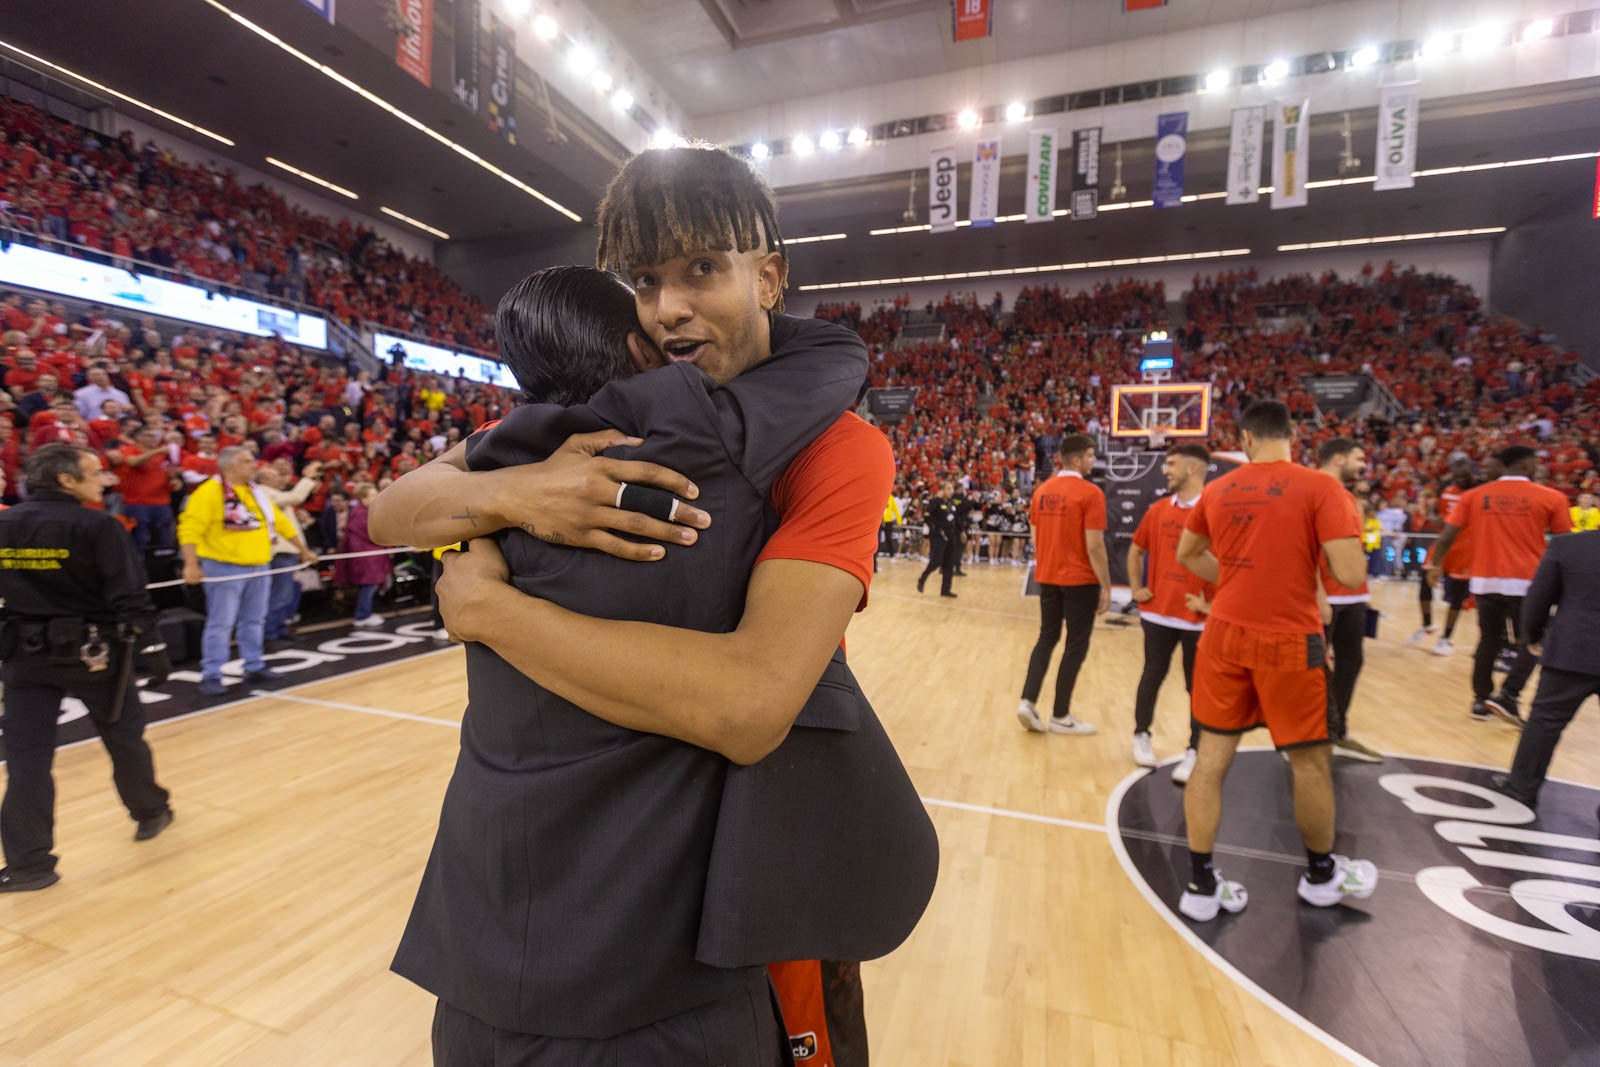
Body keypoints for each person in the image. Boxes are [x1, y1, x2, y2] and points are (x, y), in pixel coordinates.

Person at [374, 146, 930, 1064]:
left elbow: (749, 703)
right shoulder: (583, 421)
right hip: (531, 912)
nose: (669, 306)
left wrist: (489, 610)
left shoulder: (839, 445)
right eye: (645, 280)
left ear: (769, 276)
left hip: (731, 896)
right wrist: (520, 495)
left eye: (701, 270)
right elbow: (393, 506)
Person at [1174, 400, 1376, 922]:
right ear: (1292, 435)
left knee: (1209, 761)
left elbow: (1187, 555)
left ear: (1245, 439)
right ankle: (1321, 877)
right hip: (1290, 640)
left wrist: (1240, 580)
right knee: (1309, 762)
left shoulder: (1217, 490)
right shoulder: (1321, 488)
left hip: (1223, 637)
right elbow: (1352, 576)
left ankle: (1199, 886)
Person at [0, 444, 173, 893]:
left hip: (24, 656)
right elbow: (129, 593)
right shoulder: (98, 525)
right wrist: (152, 647)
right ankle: (150, 812)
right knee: (123, 738)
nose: (106, 479)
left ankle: (29, 866)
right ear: (66, 480)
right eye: (96, 473)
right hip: (95, 654)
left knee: (26, 760)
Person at [1428, 445, 1573, 725]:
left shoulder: (1473, 496)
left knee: (1488, 640)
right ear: (1527, 466)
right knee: (1530, 643)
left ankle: (1480, 701)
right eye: (1535, 463)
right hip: (1530, 583)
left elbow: (1446, 535)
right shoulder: (1552, 497)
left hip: (1485, 580)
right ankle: (1508, 694)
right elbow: (1564, 544)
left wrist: (1435, 565)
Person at [177, 446, 318, 697]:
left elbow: (280, 523)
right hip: (223, 566)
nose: (255, 465)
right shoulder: (209, 492)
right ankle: (212, 673)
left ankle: (253, 665)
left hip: (259, 564)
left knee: (254, 619)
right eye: (247, 461)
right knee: (221, 623)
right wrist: (191, 563)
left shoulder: (256, 492)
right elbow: (189, 528)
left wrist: (303, 549)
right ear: (229, 466)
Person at [1491, 531, 1600, 806]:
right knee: (1544, 721)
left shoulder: (1568, 545)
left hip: (1573, 649)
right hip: (1575, 649)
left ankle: (1521, 788)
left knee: (1545, 722)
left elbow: (1538, 596)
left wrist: (1533, 635)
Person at [1126, 443, 1212, 778]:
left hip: (1199, 619)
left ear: (1192, 469)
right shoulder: (1159, 509)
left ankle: (1195, 749)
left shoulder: (1215, 510)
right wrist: (1136, 589)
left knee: (1198, 687)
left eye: (1172, 464)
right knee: (1152, 675)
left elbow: (1233, 565)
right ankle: (1140, 734)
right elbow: (1135, 551)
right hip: (1157, 613)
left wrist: (1211, 604)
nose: (1166, 470)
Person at [1016, 433, 1106, 737]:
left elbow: (1034, 534)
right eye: (1091, 455)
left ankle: (1027, 702)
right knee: (1075, 645)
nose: (1094, 461)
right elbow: (1094, 546)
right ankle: (1060, 714)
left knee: (1046, 638)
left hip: (1047, 576)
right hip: (1080, 580)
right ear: (1077, 459)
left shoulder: (1041, 491)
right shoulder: (1091, 493)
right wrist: (1106, 585)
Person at [1316, 438, 1383, 763]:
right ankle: (1306, 737)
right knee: (1313, 669)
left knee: (1351, 663)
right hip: (1324, 597)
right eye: (1360, 457)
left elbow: (1353, 550)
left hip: (1353, 597)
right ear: (1339, 458)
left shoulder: (1349, 498)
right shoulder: (1313, 490)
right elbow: (1300, 548)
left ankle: (1337, 731)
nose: (1364, 464)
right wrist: (1317, 594)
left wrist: (1365, 594)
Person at [253, 459, 321, 642]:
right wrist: (307, 478)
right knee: (280, 593)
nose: (280, 478)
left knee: (287, 592)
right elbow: (295, 497)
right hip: (279, 552)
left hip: (288, 550)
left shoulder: (273, 492)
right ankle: (269, 632)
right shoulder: (263, 492)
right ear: (264, 479)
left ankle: (280, 627)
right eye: (274, 475)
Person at [1426, 453, 1479, 657]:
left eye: (1463, 467)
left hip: (1467, 547)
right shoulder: (1444, 487)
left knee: (1459, 597)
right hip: (1444, 544)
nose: (1460, 472)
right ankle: (1426, 625)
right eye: (1455, 468)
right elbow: (1435, 513)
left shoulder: (1480, 488)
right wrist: (1435, 518)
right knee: (1425, 583)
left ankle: (1446, 638)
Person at [109, 423, 176, 552]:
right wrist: (157, 451)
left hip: (162, 502)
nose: (153, 439)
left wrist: (173, 480)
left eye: (154, 436)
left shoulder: (162, 456)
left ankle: (164, 568)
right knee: (139, 540)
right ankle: (139, 569)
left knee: (165, 540)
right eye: (149, 435)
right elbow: (133, 462)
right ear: (138, 437)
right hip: (137, 503)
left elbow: (166, 474)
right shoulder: (129, 449)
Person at [334, 484, 389, 628]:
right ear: (363, 498)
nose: (376, 497)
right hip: (366, 559)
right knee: (369, 586)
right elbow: (374, 533)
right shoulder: (361, 514)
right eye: (372, 495)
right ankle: (362, 615)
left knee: (369, 587)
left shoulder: (362, 511)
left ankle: (365, 612)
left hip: (369, 558)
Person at [917, 481, 959, 597]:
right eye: (949, 488)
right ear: (942, 490)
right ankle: (922, 578)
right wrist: (935, 528)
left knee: (949, 563)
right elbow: (926, 516)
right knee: (937, 561)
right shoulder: (935, 502)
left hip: (950, 536)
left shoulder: (951, 503)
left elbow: (954, 519)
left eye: (952, 488)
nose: (951, 491)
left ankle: (945, 590)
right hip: (938, 536)